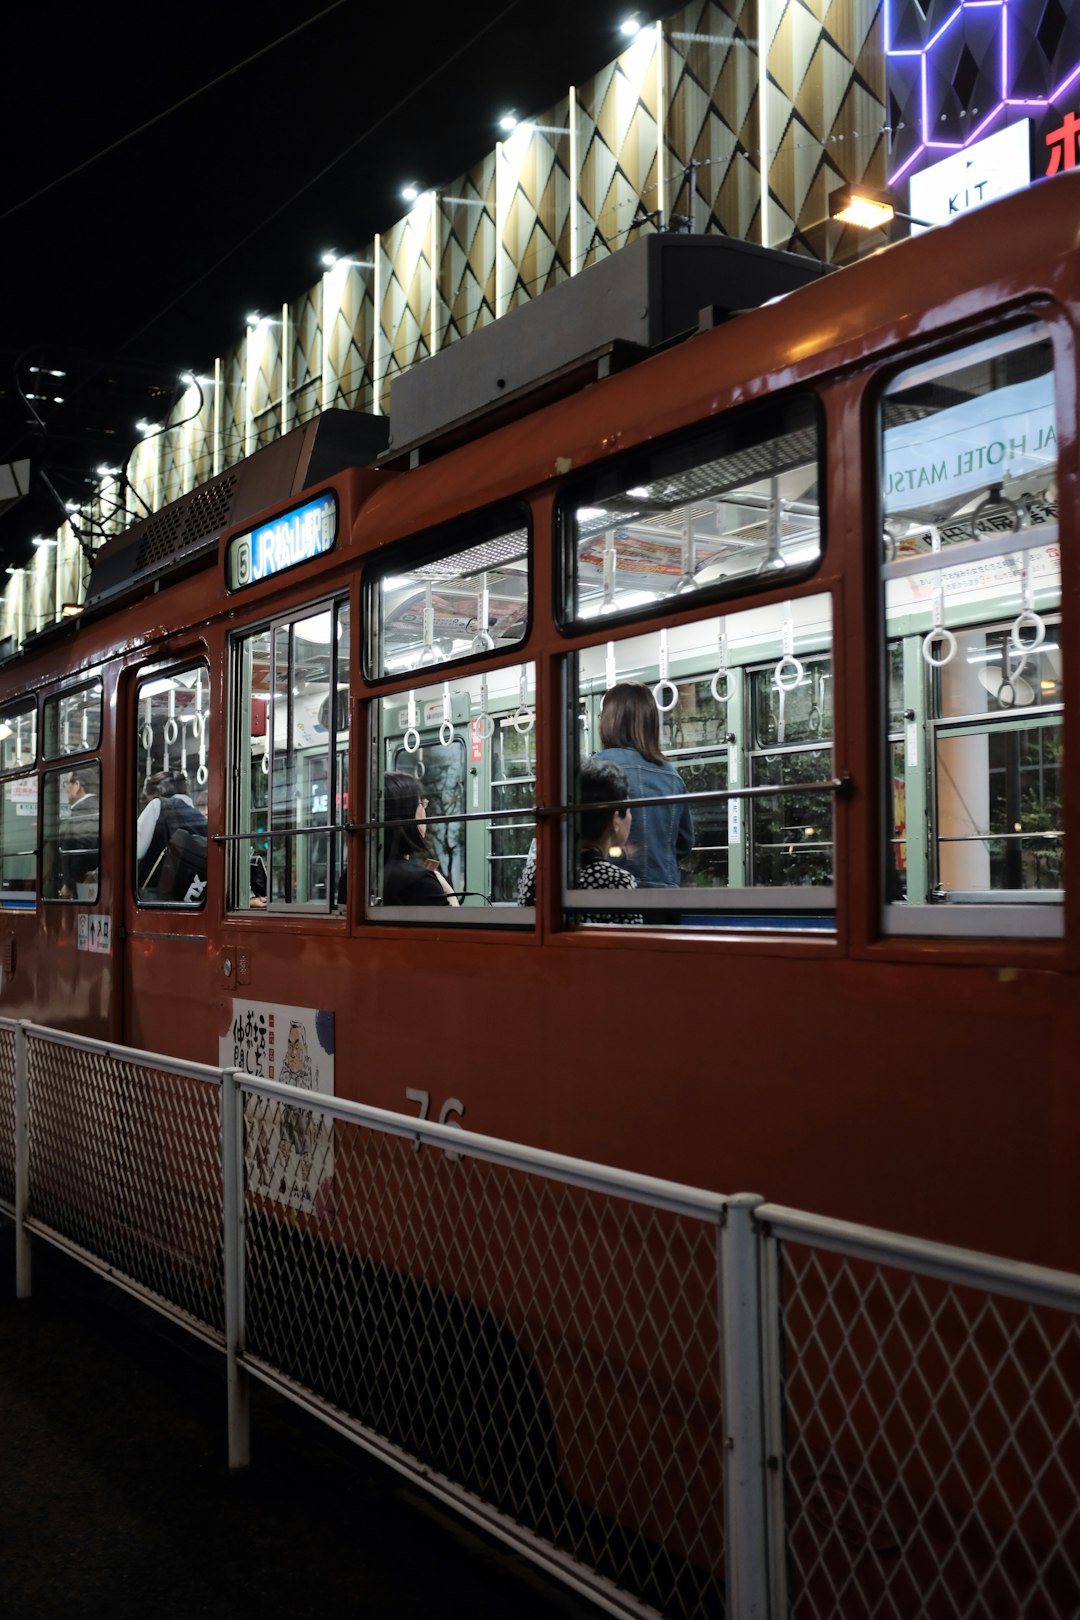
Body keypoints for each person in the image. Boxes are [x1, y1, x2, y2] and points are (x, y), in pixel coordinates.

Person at [593, 681, 694, 887]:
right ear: (651, 724)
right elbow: (684, 843)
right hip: (664, 894)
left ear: (607, 721)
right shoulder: (672, 776)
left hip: (609, 889)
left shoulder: (594, 769)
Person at [518, 759, 643, 924]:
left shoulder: (537, 869)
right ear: (615, 821)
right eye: (628, 810)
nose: (630, 817)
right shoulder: (617, 881)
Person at [381, 772, 459, 906]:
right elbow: (453, 925)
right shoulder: (419, 881)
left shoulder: (353, 874)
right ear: (407, 814)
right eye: (422, 803)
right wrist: (448, 892)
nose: (424, 811)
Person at [136, 770, 208, 901]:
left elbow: (136, 852)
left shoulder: (158, 805)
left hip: (154, 896)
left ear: (156, 792)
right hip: (189, 897)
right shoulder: (201, 819)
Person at [58, 767, 100, 897]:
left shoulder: (82, 811)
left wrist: (70, 883)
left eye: (67, 783)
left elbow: (81, 850)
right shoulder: (98, 806)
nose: (66, 788)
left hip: (83, 884)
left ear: (77, 785)